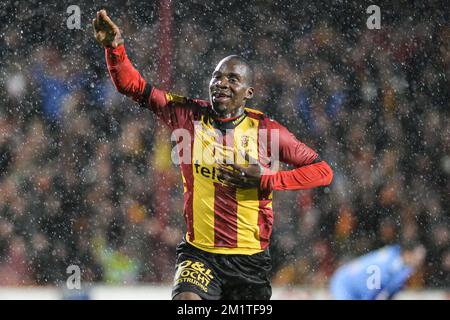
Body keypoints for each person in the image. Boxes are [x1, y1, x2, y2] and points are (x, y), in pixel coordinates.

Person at [92, 9, 333, 300]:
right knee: (187, 302)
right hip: (199, 254)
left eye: (233, 79)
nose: (222, 83)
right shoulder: (187, 115)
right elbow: (134, 87)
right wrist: (114, 48)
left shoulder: (267, 132)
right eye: (217, 77)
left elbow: (322, 171)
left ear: (249, 92)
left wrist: (267, 180)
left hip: (249, 260)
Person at [329, 243, 426, 300]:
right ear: (408, 253)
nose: (420, 262)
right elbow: (374, 290)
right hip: (345, 284)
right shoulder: (389, 267)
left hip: (345, 277)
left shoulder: (394, 256)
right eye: (418, 257)